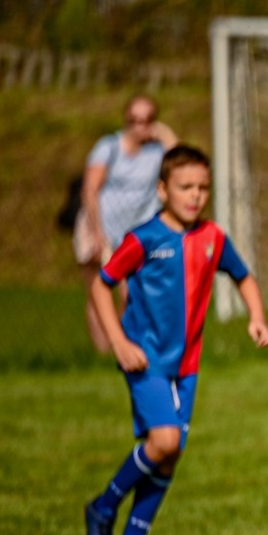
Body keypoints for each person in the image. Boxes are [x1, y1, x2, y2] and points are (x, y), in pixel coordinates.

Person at [83, 145, 268, 535]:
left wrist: (257, 317)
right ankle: (103, 507)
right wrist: (118, 342)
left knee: (170, 455)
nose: (195, 195)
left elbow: (243, 276)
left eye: (203, 187)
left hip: (186, 366)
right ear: (163, 190)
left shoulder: (213, 238)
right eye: (186, 187)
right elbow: (101, 285)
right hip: (145, 359)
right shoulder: (143, 239)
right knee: (164, 441)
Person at [76, 95, 179, 353]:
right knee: (98, 292)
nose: (140, 126)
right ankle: (102, 352)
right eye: (134, 120)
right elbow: (90, 190)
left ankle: (123, 346)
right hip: (101, 228)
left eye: (147, 120)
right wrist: (97, 233)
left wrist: (164, 133)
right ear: (126, 121)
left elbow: (181, 164)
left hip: (134, 235)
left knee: (130, 292)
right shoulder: (109, 147)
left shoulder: (157, 152)